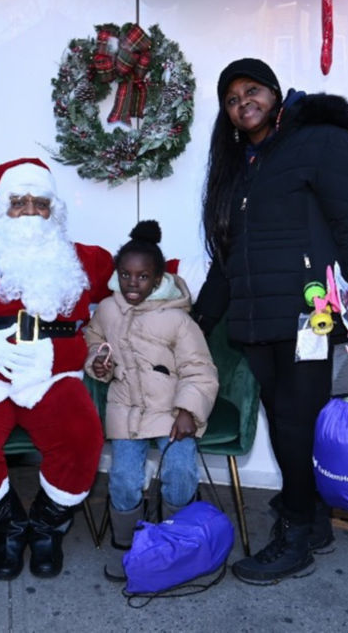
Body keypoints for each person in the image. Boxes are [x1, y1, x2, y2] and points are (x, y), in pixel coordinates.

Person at [193, 58, 348, 585]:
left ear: (275, 92)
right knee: (285, 423)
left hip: (313, 318)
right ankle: (313, 519)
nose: (243, 103)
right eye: (232, 99)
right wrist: (198, 320)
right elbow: (228, 256)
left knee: (294, 421)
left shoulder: (321, 141)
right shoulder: (242, 165)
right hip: (259, 321)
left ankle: (296, 535)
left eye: (251, 90)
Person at [0, 157, 114, 580]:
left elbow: (140, 275)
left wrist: (183, 279)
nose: (31, 211)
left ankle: (46, 525)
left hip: (51, 370)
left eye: (41, 203)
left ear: (55, 210)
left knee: (81, 437)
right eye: (19, 202)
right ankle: (8, 526)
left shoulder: (83, 259)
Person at [83, 219, 219, 582]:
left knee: (179, 471)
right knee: (125, 477)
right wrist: (98, 359)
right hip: (126, 408)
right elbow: (93, 338)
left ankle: (176, 536)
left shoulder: (177, 319)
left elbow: (200, 369)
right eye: (126, 275)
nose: (132, 283)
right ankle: (126, 543)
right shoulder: (109, 310)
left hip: (173, 410)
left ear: (158, 280)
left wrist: (189, 410)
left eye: (142, 277)